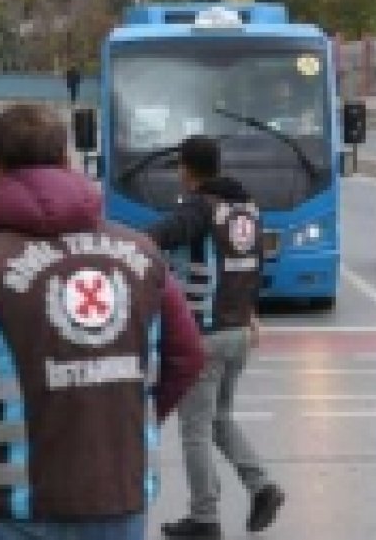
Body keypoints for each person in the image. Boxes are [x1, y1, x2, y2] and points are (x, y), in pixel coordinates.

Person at [0, 104, 206, 540]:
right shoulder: (143, 255)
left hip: (17, 505)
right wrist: (137, 419)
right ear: (67, 160)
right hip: (117, 493)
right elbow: (188, 355)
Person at [148, 136, 285, 540]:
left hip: (203, 335)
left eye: (180, 168)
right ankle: (262, 488)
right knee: (219, 418)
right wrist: (252, 314)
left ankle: (205, 518)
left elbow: (153, 236)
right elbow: (250, 267)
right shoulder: (247, 209)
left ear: (187, 170)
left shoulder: (198, 209)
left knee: (194, 430)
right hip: (239, 332)